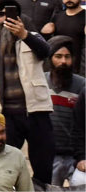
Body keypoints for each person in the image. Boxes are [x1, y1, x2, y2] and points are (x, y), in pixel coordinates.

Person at [0, 0, 54, 186]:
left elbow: (46, 52)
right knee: (6, 167)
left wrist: (24, 34)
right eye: (0, 15)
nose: (4, 19)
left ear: (18, 17)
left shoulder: (32, 37)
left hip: (36, 112)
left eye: (9, 14)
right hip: (5, 116)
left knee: (43, 166)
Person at [47, 35, 85, 186]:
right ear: (50, 59)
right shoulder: (40, 83)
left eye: (67, 56)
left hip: (76, 156)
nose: (63, 61)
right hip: (50, 155)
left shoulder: (82, 86)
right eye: (58, 56)